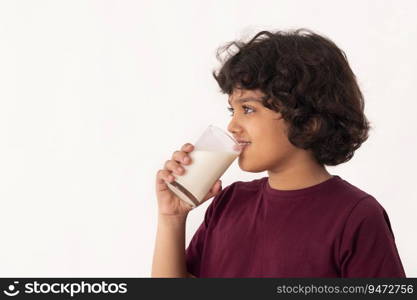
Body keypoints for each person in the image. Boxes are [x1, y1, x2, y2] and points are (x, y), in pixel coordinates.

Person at [151, 28, 406, 277]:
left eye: (248, 109)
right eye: (233, 111)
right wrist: (171, 217)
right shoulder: (229, 203)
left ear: (307, 120)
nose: (232, 126)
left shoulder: (356, 216)